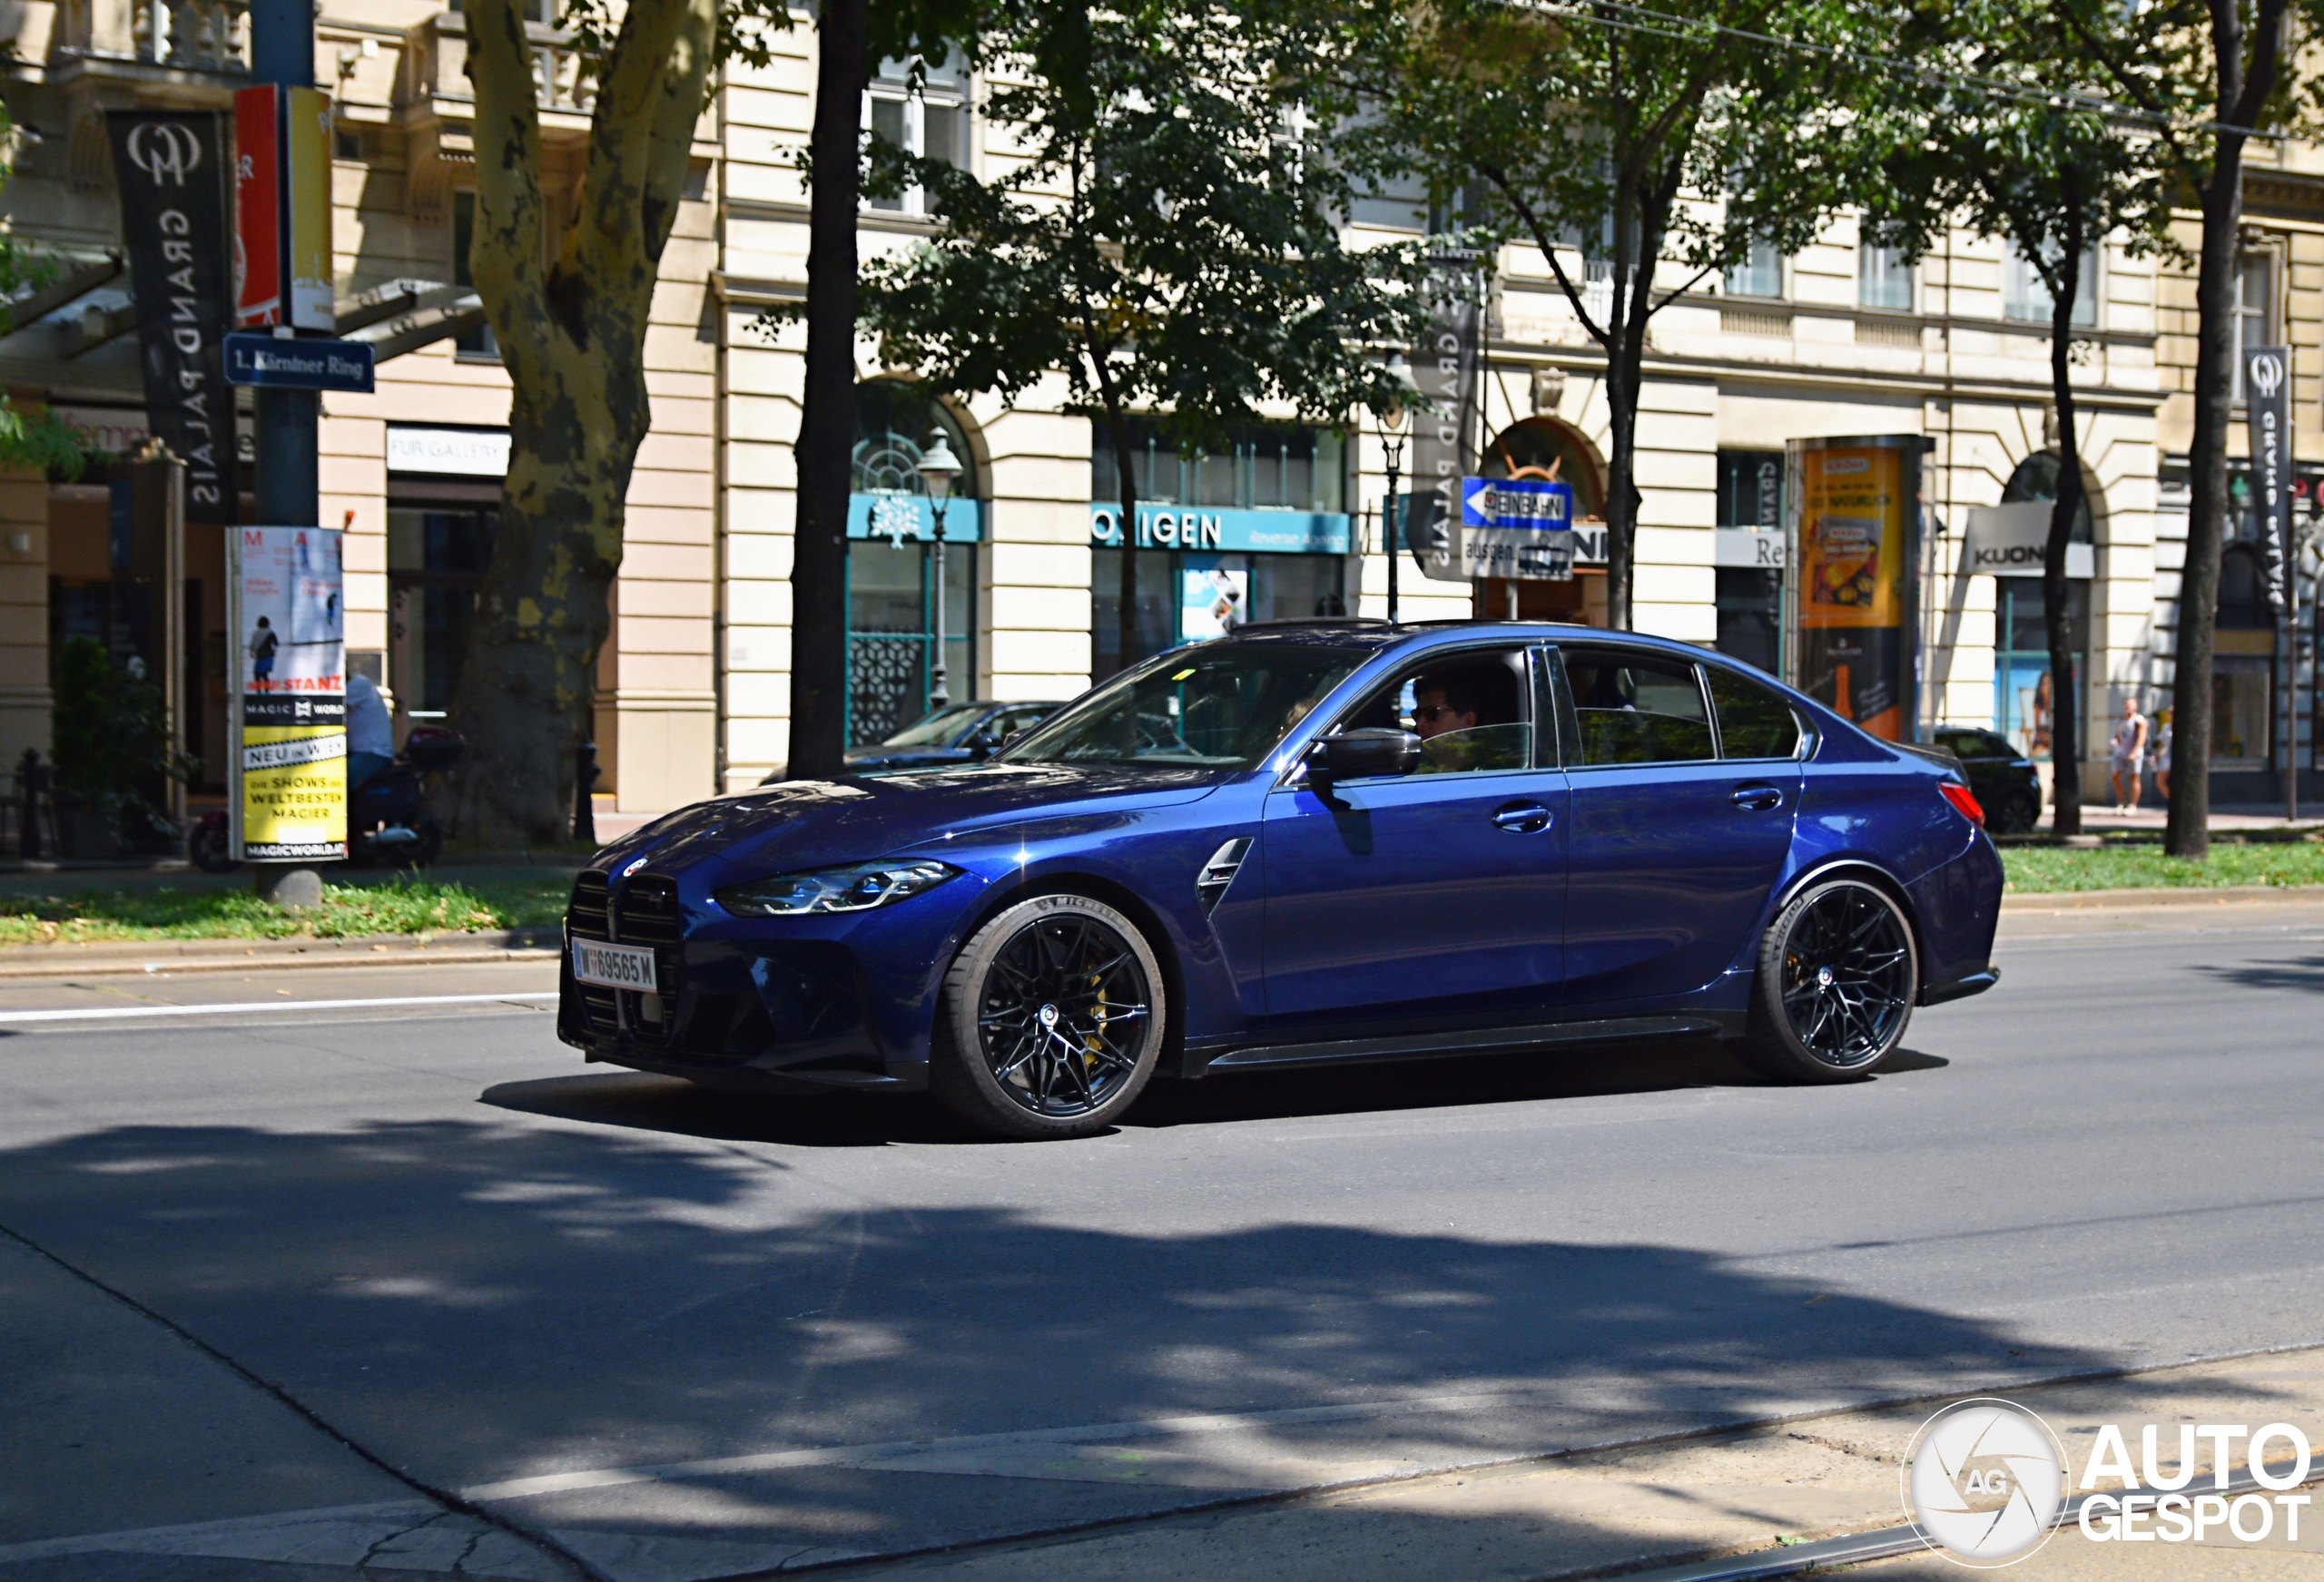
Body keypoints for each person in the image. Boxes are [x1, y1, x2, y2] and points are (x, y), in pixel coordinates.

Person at [344, 671, 395, 793]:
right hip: (361, 750)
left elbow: (326, 706)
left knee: (339, 785)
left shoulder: (358, 684)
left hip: (372, 752)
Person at [2109, 695, 2148, 812]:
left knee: (2134, 777)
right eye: (2126, 704)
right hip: (2122, 751)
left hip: (2134, 752)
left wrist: (2135, 752)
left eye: (2131, 705)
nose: (2128, 707)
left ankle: (2133, 805)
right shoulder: (2120, 720)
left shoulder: (2139, 720)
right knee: (2115, 775)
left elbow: (2142, 737)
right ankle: (2121, 802)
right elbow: (2118, 736)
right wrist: (2115, 741)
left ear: (2136, 706)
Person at [249, 615, 278, 683]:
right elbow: (276, 643)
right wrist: (274, 651)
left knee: (257, 674)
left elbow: (252, 644)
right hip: (269, 656)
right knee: (264, 674)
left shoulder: (256, 633)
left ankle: (259, 691)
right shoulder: (270, 632)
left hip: (260, 656)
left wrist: (251, 652)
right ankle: (267, 691)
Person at [2152, 707, 2172, 804]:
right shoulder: (2166, 727)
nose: (2171, 716)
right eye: (2170, 713)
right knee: (2160, 782)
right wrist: (2156, 755)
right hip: (2166, 757)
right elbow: (2161, 743)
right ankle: (2173, 802)